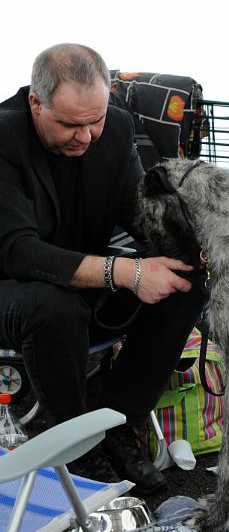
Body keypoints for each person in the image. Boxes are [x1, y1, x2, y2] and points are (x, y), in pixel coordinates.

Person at [0, 44, 205, 491]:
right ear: (36, 103)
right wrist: (127, 273)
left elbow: (141, 217)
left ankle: (117, 423)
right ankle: (77, 449)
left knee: (188, 277)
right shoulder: (3, 138)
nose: (87, 136)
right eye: (71, 124)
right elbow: (19, 252)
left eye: (95, 121)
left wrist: (199, 250)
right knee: (52, 308)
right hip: (12, 288)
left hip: (80, 282)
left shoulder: (114, 130)